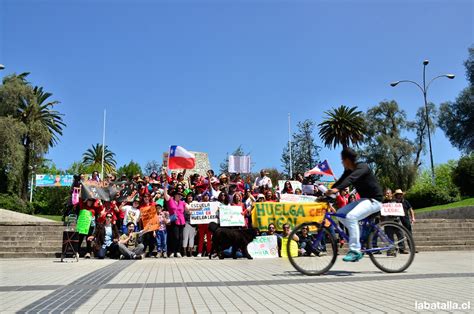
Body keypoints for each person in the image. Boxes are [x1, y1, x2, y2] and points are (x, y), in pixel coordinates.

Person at [325, 147, 383, 262]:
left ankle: (355, 250)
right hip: (365, 200)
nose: (341, 162)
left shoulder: (362, 167)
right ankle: (355, 235)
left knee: (351, 217)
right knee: (340, 213)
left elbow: (351, 179)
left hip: (375, 200)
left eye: (342, 160)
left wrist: (336, 190)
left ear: (347, 160)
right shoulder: (348, 170)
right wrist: (327, 193)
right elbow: (340, 181)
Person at [163, 184, 191, 258]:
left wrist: (195, 210)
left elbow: (188, 209)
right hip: (173, 221)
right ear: (175, 195)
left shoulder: (182, 203)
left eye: (181, 195)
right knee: (174, 237)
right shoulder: (170, 200)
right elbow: (165, 194)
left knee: (180, 237)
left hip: (181, 221)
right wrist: (165, 187)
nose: (180, 196)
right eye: (179, 195)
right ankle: (172, 251)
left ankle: (178, 251)